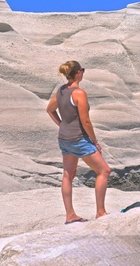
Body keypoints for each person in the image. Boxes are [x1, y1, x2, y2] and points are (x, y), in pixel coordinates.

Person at [46, 61, 111, 224]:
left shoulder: (61, 91)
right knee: (104, 171)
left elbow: (50, 109)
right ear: (78, 73)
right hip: (79, 139)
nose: (83, 72)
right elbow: (86, 122)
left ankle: (70, 215)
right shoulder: (79, 93)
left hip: (64, 139)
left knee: (68, 174)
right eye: (82, 70)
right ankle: (101, 212)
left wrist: (62, 125)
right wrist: (95, 142)